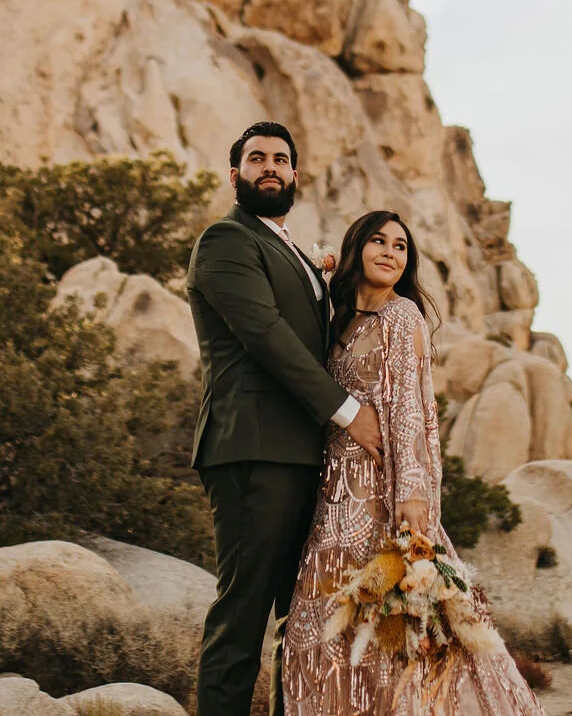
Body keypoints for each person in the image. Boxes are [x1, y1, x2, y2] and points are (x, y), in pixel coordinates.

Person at [283, 210, 543, 716]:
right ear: (357, 247)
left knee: (385, 634)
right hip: (330, 491)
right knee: (317, 628)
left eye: (400, 246)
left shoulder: (403, 318)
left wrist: (413, 494)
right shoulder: (341, 319)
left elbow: (408, 410)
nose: (389, 252)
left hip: (377, 497)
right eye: (378, 241)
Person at [187, 121, 385, 716]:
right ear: (235, 175)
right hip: (252, 450)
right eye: (256, 159)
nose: (269, 167)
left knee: (299, 619)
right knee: (242, 617)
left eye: (280, 159)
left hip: (302, 455)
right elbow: (268, 336)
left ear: (295, 174)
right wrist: (350, 412)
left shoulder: (287, 248)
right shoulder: (225, 240)